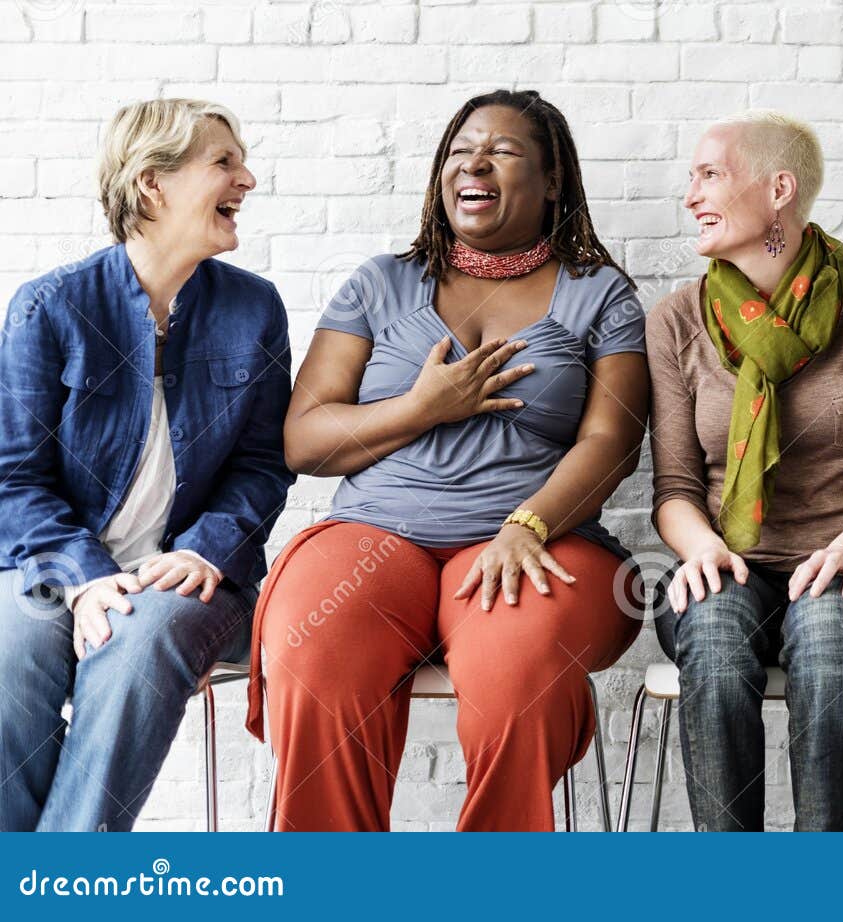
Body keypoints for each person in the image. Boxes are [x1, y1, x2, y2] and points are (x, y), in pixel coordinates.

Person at [247, 89, 648, 831]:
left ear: (553, 179)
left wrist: (529, 523)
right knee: (316, 647)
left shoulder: (601, 294)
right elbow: (303, 439)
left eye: (502, 151)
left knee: (515, 675)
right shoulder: (380, 283)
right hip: (374, 536)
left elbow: (613, 442)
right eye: (462, 150)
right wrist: (423, 407)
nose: (475, 162)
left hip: (532, 540)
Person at [0, 99, 293, 831]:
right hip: (59, 568)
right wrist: (84, 576)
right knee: (10, 650)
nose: (247, 178)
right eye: (223, 162)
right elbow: (14, 479)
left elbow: (264, 466)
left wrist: (207, 550)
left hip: (192, 581)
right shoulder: (49, 308)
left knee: (137, 639)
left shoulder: (254, 310)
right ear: (152, 183)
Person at [647, 110, 843, 831]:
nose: (691, 196)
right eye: (692, 178)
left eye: (710, 175)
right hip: (727, 563)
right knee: (711, 635)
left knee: (829, 626)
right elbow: (676, 490)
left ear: (779, 189)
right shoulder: (678, 319)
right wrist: (703, 548)